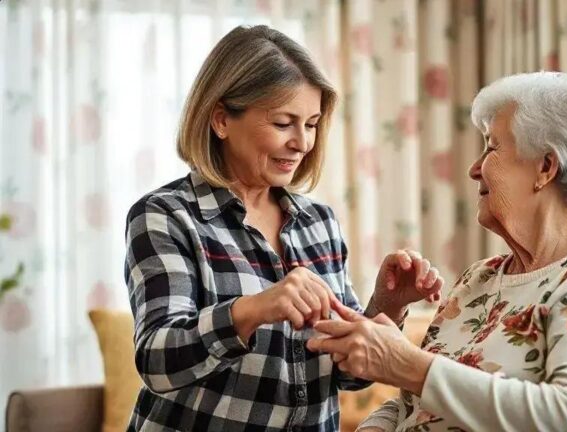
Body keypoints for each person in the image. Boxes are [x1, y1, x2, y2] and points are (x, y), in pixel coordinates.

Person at [124, 25, 443, 432]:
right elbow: (156, 360)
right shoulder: (165, 216)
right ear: (221, 119)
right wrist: (254, 309)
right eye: (283, 123)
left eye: (311, 124)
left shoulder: (319, 223)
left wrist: (388, 305)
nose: (303, 143)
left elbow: (347, 375)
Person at [307, 72, 567, 432]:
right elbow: (412, 406)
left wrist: (408, 363)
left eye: (491, 147)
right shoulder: (481, 278)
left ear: (546, 167)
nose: (474, 169)